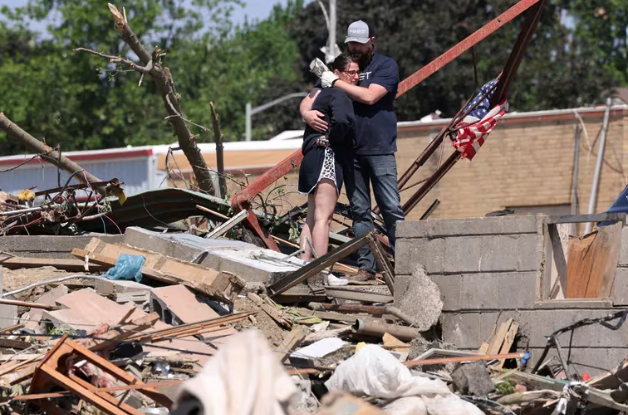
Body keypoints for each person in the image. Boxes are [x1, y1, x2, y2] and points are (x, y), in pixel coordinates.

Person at [300, 20, 404, 280]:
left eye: (360, 43)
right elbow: (311, 97)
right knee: (360, 211)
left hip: (379, 148)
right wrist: (306, 113)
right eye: (352, 43)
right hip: (350, 152)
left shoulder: (385, 66)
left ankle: (404, 263)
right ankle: (367, 268)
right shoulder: (343, 66)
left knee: (390, 206)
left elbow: (369, 97)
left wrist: (334, 81)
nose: (356, 48)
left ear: (372, 41)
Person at [298, 53, 360, 261]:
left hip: (312, 157)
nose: (356, 77)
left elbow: (307, 107)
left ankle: (303, 265)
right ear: (336, 74)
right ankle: (319, 270)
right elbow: (342, 122)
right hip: (327, 157)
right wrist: (334, 139)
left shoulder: (323, 96)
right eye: (351, 72)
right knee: (324, 218)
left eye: (358, 72)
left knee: (312, 217)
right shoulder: (339, 95)